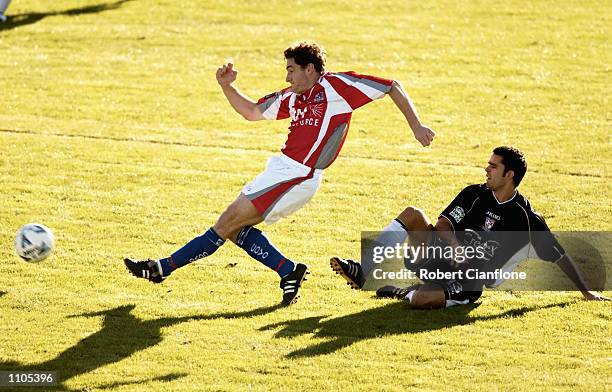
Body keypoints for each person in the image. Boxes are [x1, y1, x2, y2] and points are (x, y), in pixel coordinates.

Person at [124, 41, 437, 305]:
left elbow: (391, 86)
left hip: (299, 175)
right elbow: (250, 112)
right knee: (234, 228)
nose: (287, 76)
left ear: (310, 69)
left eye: (291, 69)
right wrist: (226, 86)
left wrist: (416, 126)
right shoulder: (291, 97)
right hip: (280, 170)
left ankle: (161, 268)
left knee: (227, 221)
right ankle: (287, 270)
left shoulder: (337, 86)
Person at [331, 146, 611, 308]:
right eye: (487, 165)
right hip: (439, 258)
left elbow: (559, 256)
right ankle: (364, 271)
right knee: (413, 214)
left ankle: (407, 291)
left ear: (509, 174)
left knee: (420, 301)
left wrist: (586, 291)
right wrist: (454, 248)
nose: (486, 170)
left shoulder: (526, 220)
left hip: (468, 280)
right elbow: (442, 224)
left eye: (492, 167)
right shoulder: (475, 193)